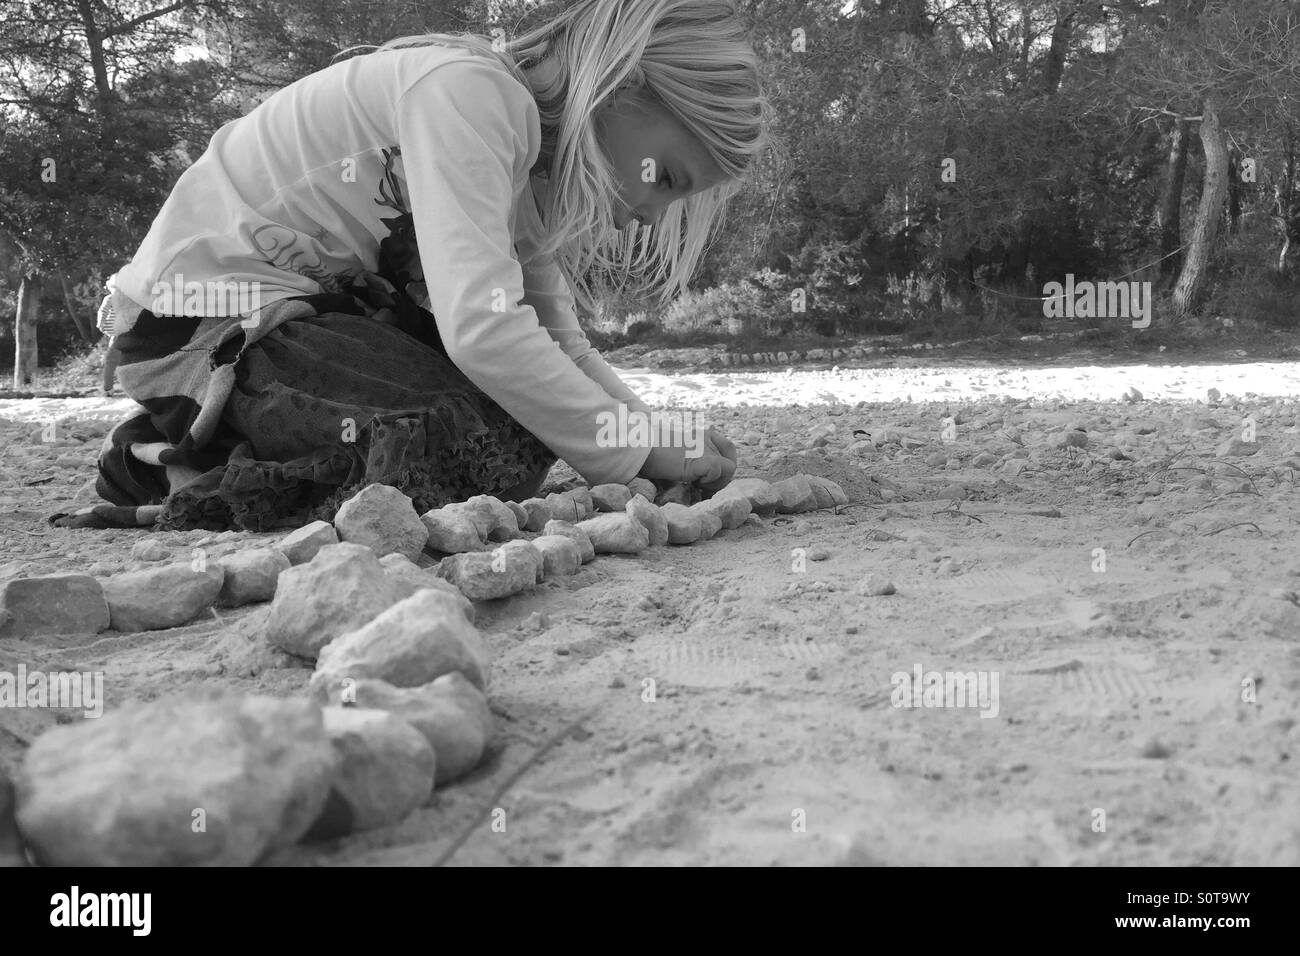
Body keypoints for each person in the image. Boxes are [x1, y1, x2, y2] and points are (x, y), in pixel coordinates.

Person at [55, 0, 769, 531]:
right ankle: (168, 464)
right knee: (469, 435)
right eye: (667, 177)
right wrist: (638, 450)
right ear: (624, 80)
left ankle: (222, 439)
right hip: (207, 324)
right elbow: (484, 335)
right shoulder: (473, 95)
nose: (650, 213)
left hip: (311, 326)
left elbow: (552, 342)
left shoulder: (527, 172)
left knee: (515, 425)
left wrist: (644, 435)